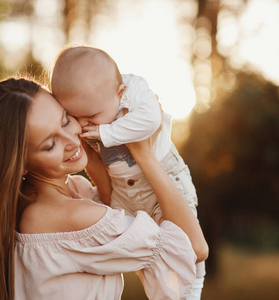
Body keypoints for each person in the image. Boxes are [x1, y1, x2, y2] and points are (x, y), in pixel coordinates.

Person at [0, 77, 208, 300]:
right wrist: (145, 155)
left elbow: (117, 209)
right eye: (49, 145)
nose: (71, 140)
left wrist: (92, 160)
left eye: (66, 121)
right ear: (20, 165)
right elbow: (193, 248)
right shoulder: (70, 215)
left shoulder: (63, 195)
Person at [51, 46, 206, 298]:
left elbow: (150, 121)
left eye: (91, 116)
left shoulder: (134, 91)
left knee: (185, 250)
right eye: (74, 117)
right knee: (153, 259)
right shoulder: (91, 107)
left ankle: (193, 291)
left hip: (162, 179)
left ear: (119, 92)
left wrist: (106, 133)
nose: (84, 125)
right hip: (123, 189)